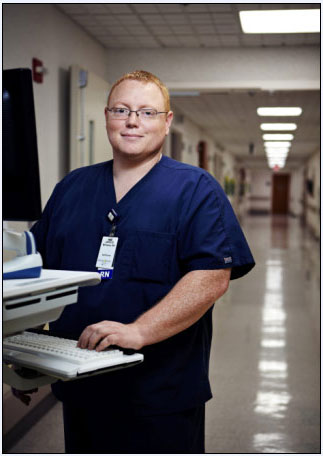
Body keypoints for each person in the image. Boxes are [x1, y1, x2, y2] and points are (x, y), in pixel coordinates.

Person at [28, 70, 255, 453]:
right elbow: (36, 271)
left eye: (147, 112)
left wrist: (139, 332)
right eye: (122, 109)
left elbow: (212, 276)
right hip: (81, 387)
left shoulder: (196, 190)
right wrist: (29, 352)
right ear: (106, 117)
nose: (133, 120)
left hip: (160, 395)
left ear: (166, 122)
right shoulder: (72, 188)